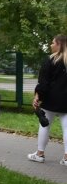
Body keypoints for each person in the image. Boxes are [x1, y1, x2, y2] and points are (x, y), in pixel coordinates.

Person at [27, 34, 67, 165]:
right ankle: (66, 158)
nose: (51, 45)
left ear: (59, 45)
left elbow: (44, 82)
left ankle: (40, 154)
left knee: (45, 125)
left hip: (50, 99)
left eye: (53, 43)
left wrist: (38, 96)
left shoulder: (50, 60)